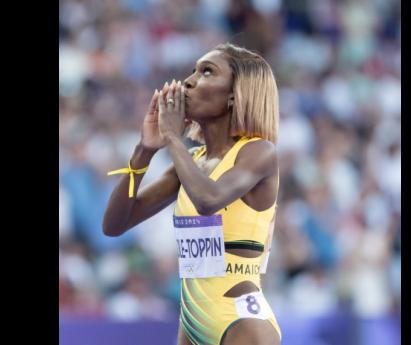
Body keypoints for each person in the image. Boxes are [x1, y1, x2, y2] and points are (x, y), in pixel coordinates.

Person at [103, 42, 281, 345]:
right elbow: (115, 224)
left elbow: (209, 200)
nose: (188, 80)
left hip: (242, 323)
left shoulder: (258, 152)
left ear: (233, 96)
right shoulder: (192, 163)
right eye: (193, 70)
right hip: (194, 323)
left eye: (207, 72)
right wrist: (144, 151)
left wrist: (172, 137)